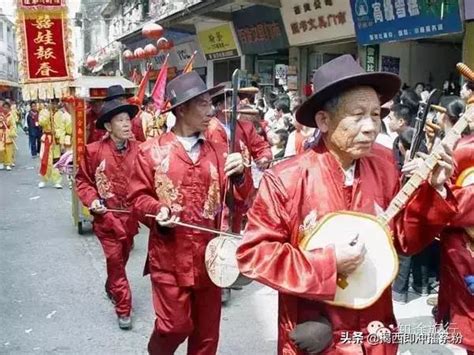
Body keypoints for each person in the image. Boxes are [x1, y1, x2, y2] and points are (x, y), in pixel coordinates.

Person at [236, 55, 458, 354]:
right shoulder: (287, 178)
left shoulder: (384, 165)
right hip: (316, 331)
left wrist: (435, 189)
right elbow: (254, 255)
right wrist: (327, 264)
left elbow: (404, 241)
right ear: (324, 120)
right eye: (357, 115)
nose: (370, 127)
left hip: (374, 329)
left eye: (376, 115)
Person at [127, 71, 253, 355]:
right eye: (204, 104)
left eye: (211, 104)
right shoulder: (151, 151)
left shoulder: (221, 151)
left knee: (207, 337)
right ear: (182, 109)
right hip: (168, 257)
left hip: (211, 257)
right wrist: (157, 210)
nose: (212, 111)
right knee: (174, 326)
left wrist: (241, 176)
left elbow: (242, 199)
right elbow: (137, 198)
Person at [75, 98, 140, 330]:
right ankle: (124, 307)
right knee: (115, 260)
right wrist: (93, 200)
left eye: (128, 120)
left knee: (121, 259)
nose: (126, 125)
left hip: (131, 220)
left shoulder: (140, 150)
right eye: (120, 120)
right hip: (107, 220)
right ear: (108, 126)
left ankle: (112, 284)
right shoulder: (93, 151)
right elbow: (82, 181)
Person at [38, 99, 65, 188]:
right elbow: (41, 123)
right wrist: (47, 114)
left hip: (55, 140)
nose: (54, 105)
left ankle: (57, 180)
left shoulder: (60, 114)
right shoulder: (44, 112)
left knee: (56, 161)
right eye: (52, 103)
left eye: (56, 103)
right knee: (44, 159)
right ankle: (43, 179)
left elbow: (62, 128)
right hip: (46, 139)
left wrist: (58, 135)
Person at [0, 101, 17, 171]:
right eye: (4, 107)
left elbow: (13, 125)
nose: (5, 109)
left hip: (8, 134)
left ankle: (8, 163)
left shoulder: (11, 116)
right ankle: (1, 162)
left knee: (9, 150)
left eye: (7, 107)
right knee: (1, 149)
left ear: (9, 108)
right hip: (1, 134)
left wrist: (12, 133)